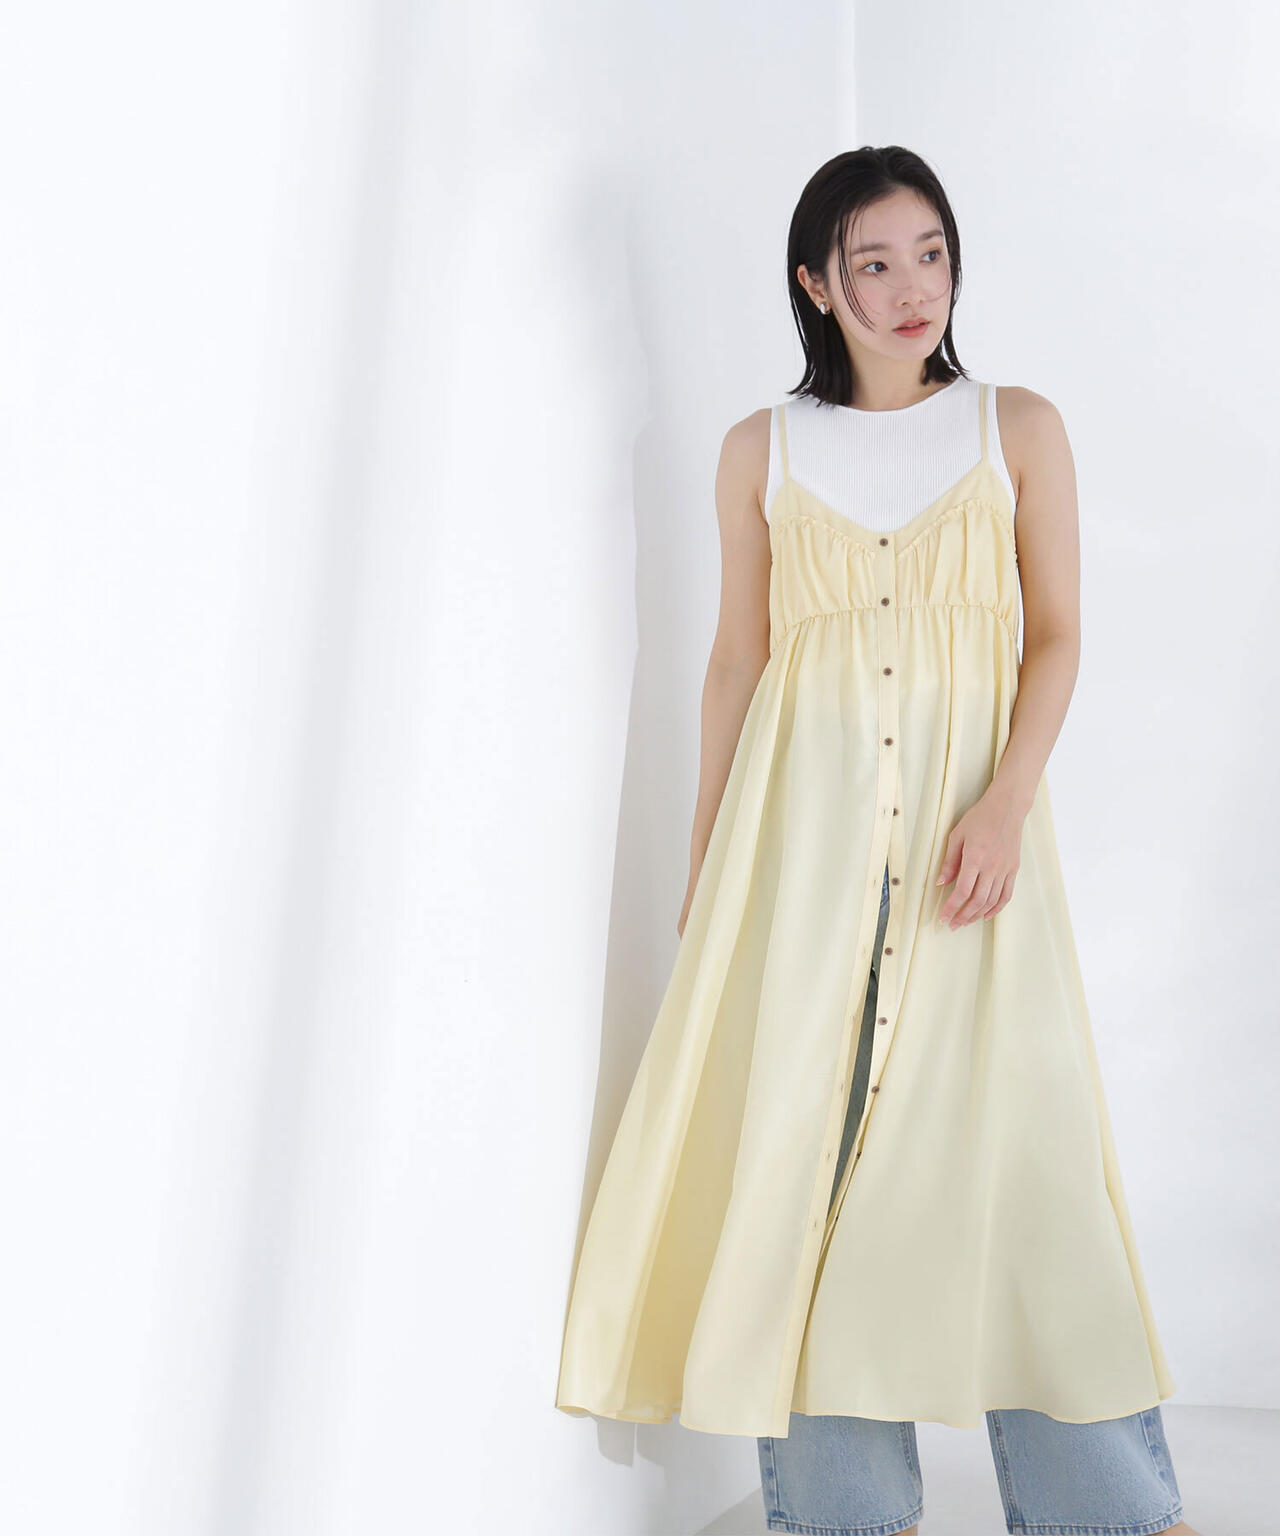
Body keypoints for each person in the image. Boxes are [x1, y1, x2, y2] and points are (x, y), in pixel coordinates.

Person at [555, 146, 1203, 1536]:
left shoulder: (1017, 429)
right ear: (816, 284)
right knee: (810, 1164)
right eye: (874, 263)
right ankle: (845, 1514)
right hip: (798, 865)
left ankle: (1108, 1513)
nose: (913, 288)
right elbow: (736, 663)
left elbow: (1059, 636)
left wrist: (1006, 801)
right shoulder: (761, 452)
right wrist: (710, 864)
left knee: (1031, 1167)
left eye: (931, 253)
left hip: (979, 864)